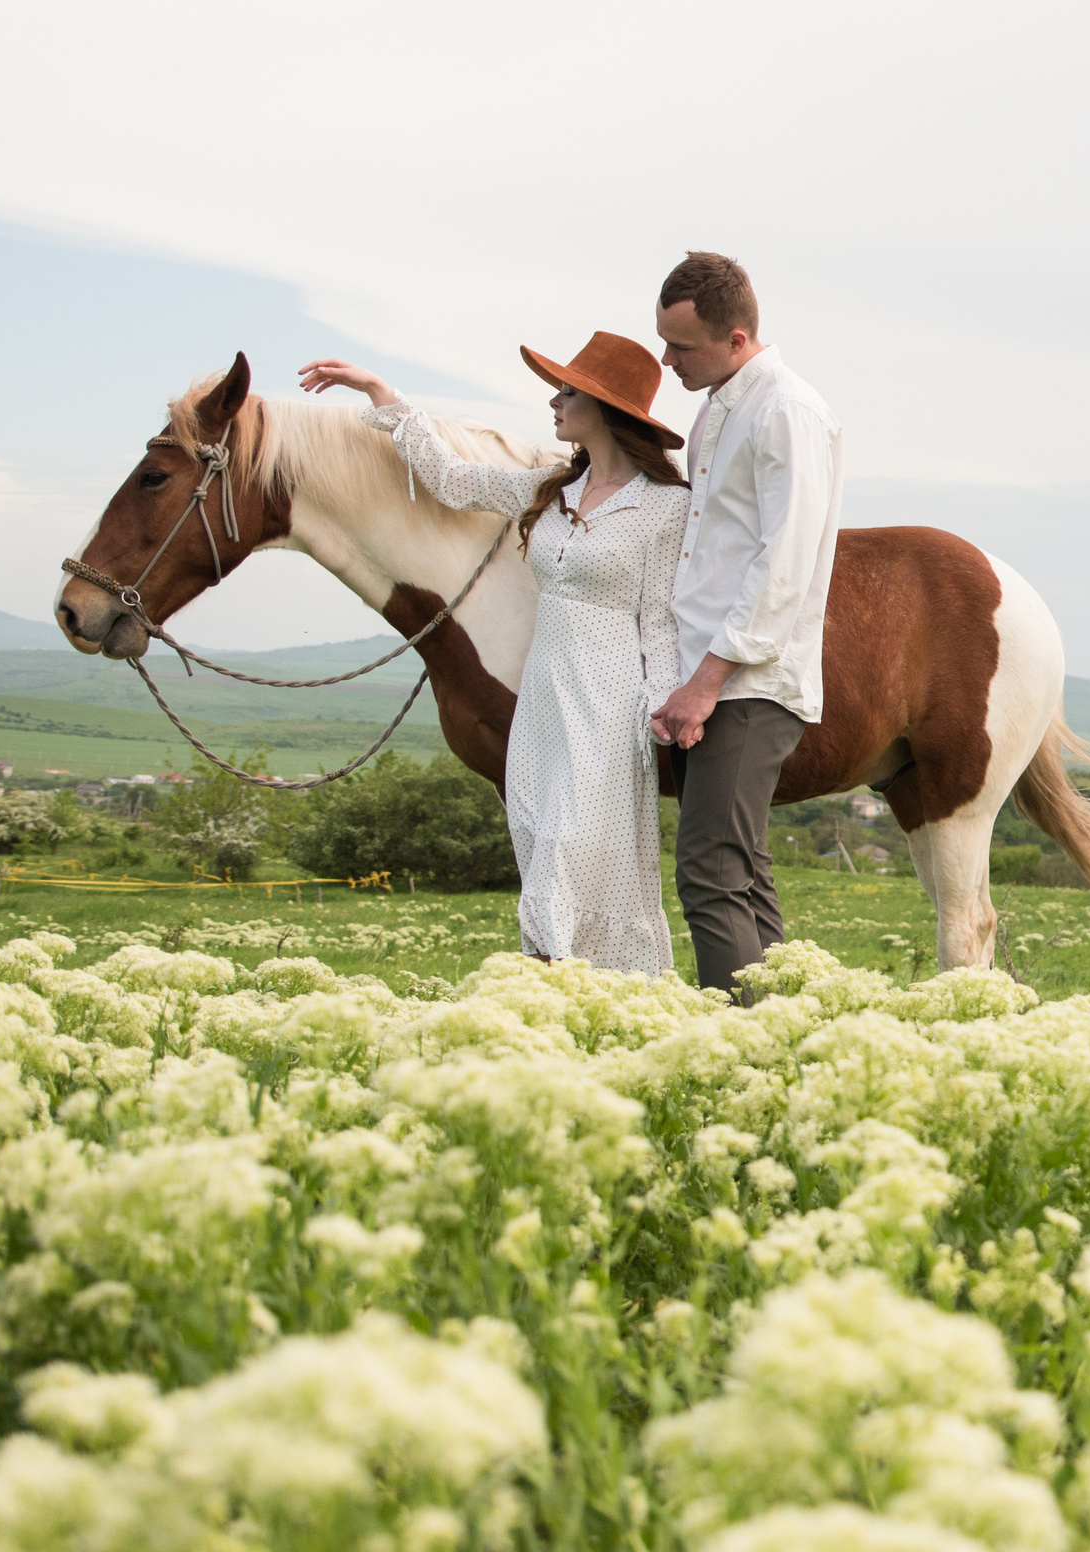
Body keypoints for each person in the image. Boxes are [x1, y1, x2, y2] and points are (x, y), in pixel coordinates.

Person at [298, 335, 689, 976]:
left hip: (610, 697)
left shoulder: (666, 507)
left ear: (606, 408)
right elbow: (450, 481)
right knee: (538, 839)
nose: (554, 400)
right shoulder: (547, 490)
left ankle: (594, 986)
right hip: (542, 693)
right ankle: (561, 997)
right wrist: (383, 396)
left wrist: (662, 707)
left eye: (567, 391)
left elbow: (660, 624)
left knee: (577, 848)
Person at [647, 253, 844, 995]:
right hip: (714, 675)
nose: (668, 362)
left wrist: (705, 680)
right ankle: (779, 1031)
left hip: (747, 681)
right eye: (665, 343)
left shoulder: (785, 411)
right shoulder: (723, 406)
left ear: (736, 337)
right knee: (739, 867)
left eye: (683, 347)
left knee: (708, 869)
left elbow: (783, 562)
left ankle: (733, 1049)